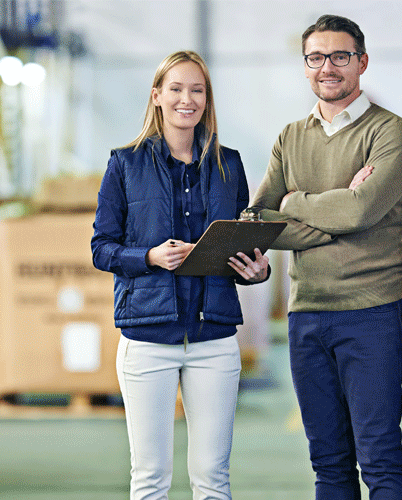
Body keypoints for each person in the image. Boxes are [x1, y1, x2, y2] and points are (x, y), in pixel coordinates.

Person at [249, 14, 402, 500]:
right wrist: (337, 212)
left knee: (380, 458)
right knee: (328, 465)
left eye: (340, 56)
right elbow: (257, 219)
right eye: (316, 57)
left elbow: (361, 210)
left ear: (361, 62)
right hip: (306, 316)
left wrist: (293, 203)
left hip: (370, 314)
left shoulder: (392, 133)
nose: (327, 67)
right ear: (305, 66)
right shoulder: (290, 137)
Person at [91, 50, 270, 500]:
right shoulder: (124, 165)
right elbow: (101, 248)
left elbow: (237, 247)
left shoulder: (229, 165)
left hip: (214, 339)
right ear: (156, 96)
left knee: (213, 477)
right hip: (148, 338)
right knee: (150, 476)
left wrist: (256, 271)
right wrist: (150, 257)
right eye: (175, 88)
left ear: (207, 100)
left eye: (197, 90)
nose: (186, 99)